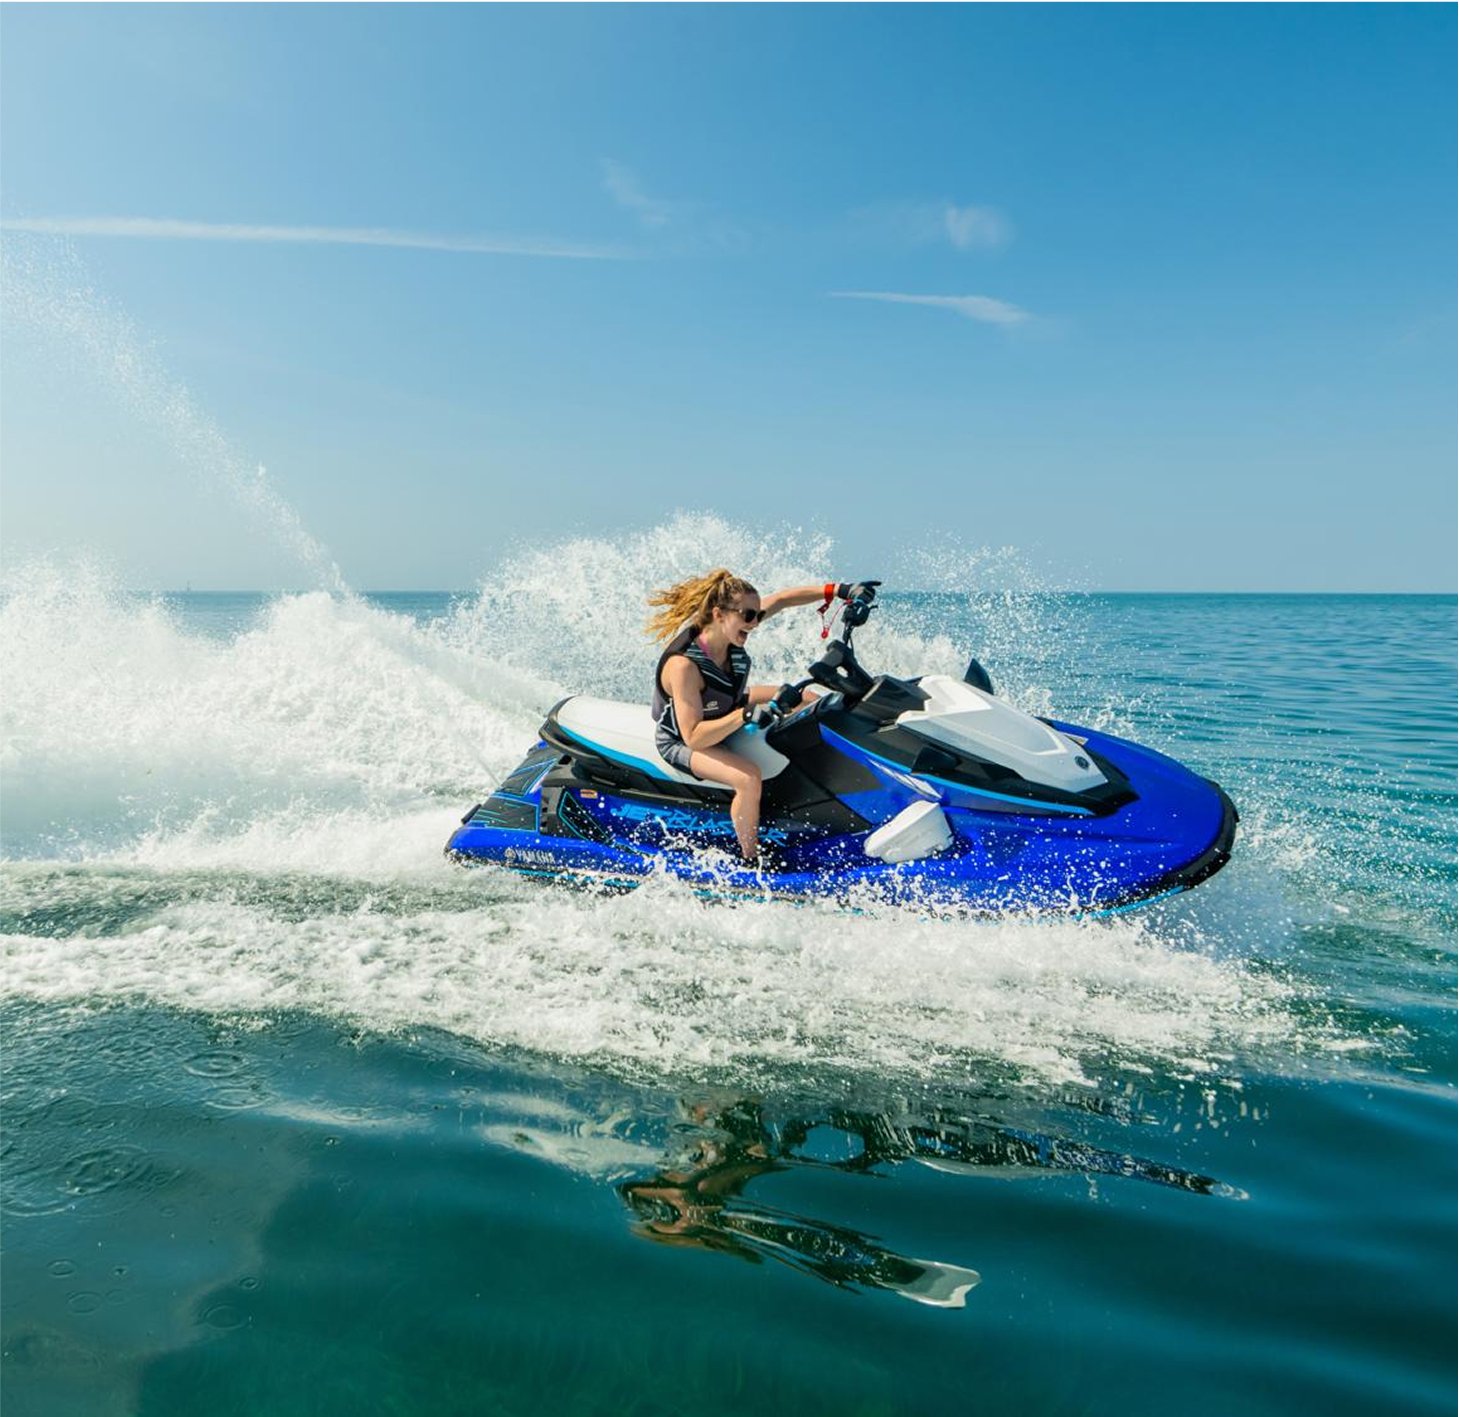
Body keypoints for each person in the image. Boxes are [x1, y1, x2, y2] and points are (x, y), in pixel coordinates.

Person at [646, 569, 874, 864]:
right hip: (681, 739)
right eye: (749, 616)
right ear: (719, 614)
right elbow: (694, 737)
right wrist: (744, 715)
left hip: (727, 704)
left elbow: (782, 599)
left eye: (756, 615)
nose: (755, 623)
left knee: (809, 700)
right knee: (748, 778)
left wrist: (841, 590)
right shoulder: (684, 667)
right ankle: (751, 859)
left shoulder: (733, 626)